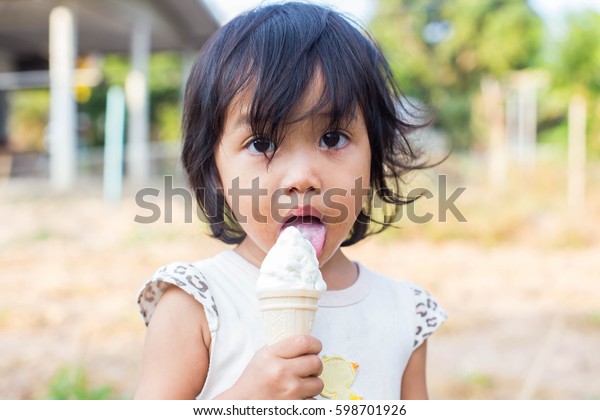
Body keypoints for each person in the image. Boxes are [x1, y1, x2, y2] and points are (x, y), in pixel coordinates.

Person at [134, 2, 447, 400]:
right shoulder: (195, 304)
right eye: (262, 143)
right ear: (213, 169)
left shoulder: (405, 314)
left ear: (375, 155)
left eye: (332, 138)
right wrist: (245, 400)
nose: (302, 178)